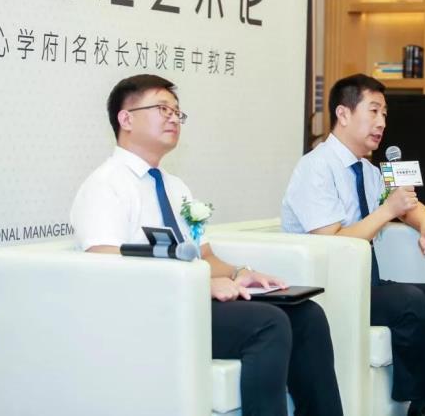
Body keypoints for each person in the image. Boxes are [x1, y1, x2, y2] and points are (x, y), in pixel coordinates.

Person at [70, 74, 343, 416]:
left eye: (177, 112)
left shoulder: (175, 186)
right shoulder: (105, 185)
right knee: (268, 324)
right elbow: (102, 261)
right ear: (126, 119)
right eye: (162, 109)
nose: (173, 118)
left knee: (307, 315)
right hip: (150, 309)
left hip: (188, 300)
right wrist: (200, 284)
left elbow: (205, 256)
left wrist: (241, 273)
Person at [281, 73, 425, 416]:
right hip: (328, 288)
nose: (381, 122)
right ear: (343, 114)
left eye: (384, 114)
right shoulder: (316, 168)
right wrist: (387, 210)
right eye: (373, 111)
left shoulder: (370, 171)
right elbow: (332, 243)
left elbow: (411, 206)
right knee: (409, 300)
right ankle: (417, 401)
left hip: (367, 283)